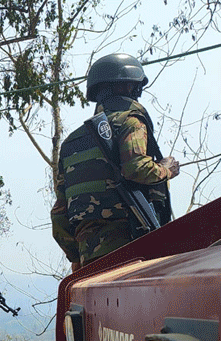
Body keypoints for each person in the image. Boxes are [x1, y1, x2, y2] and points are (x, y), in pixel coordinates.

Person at [52, 52, 180, 269]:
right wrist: (166, 169)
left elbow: (59, 214)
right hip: (131, 249)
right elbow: (136, 168)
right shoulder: (130, 122)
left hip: (89, 259)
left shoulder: (71, 142)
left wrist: (77, 257)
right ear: (128, 87)